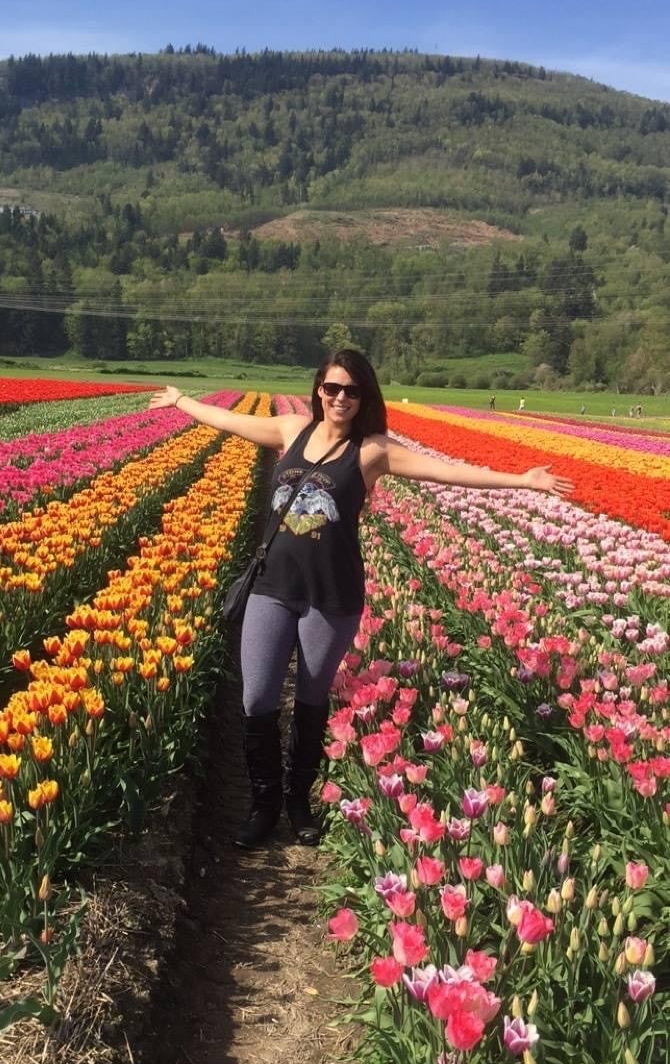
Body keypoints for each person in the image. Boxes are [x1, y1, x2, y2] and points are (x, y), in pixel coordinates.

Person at [149, 351, 572, 850]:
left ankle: (298, 802)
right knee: (257, 697)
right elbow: (229, 420)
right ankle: (263, 803)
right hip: (273, 588)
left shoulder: (372, 451)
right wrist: (182, 401)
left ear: (364, 396)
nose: (340, 398)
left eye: (351, 390)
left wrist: (522, 480)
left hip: (331, 596)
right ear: (318, 390)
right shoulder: (291, 431)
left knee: (310, 698)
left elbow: (445, 472)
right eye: (332, 388)